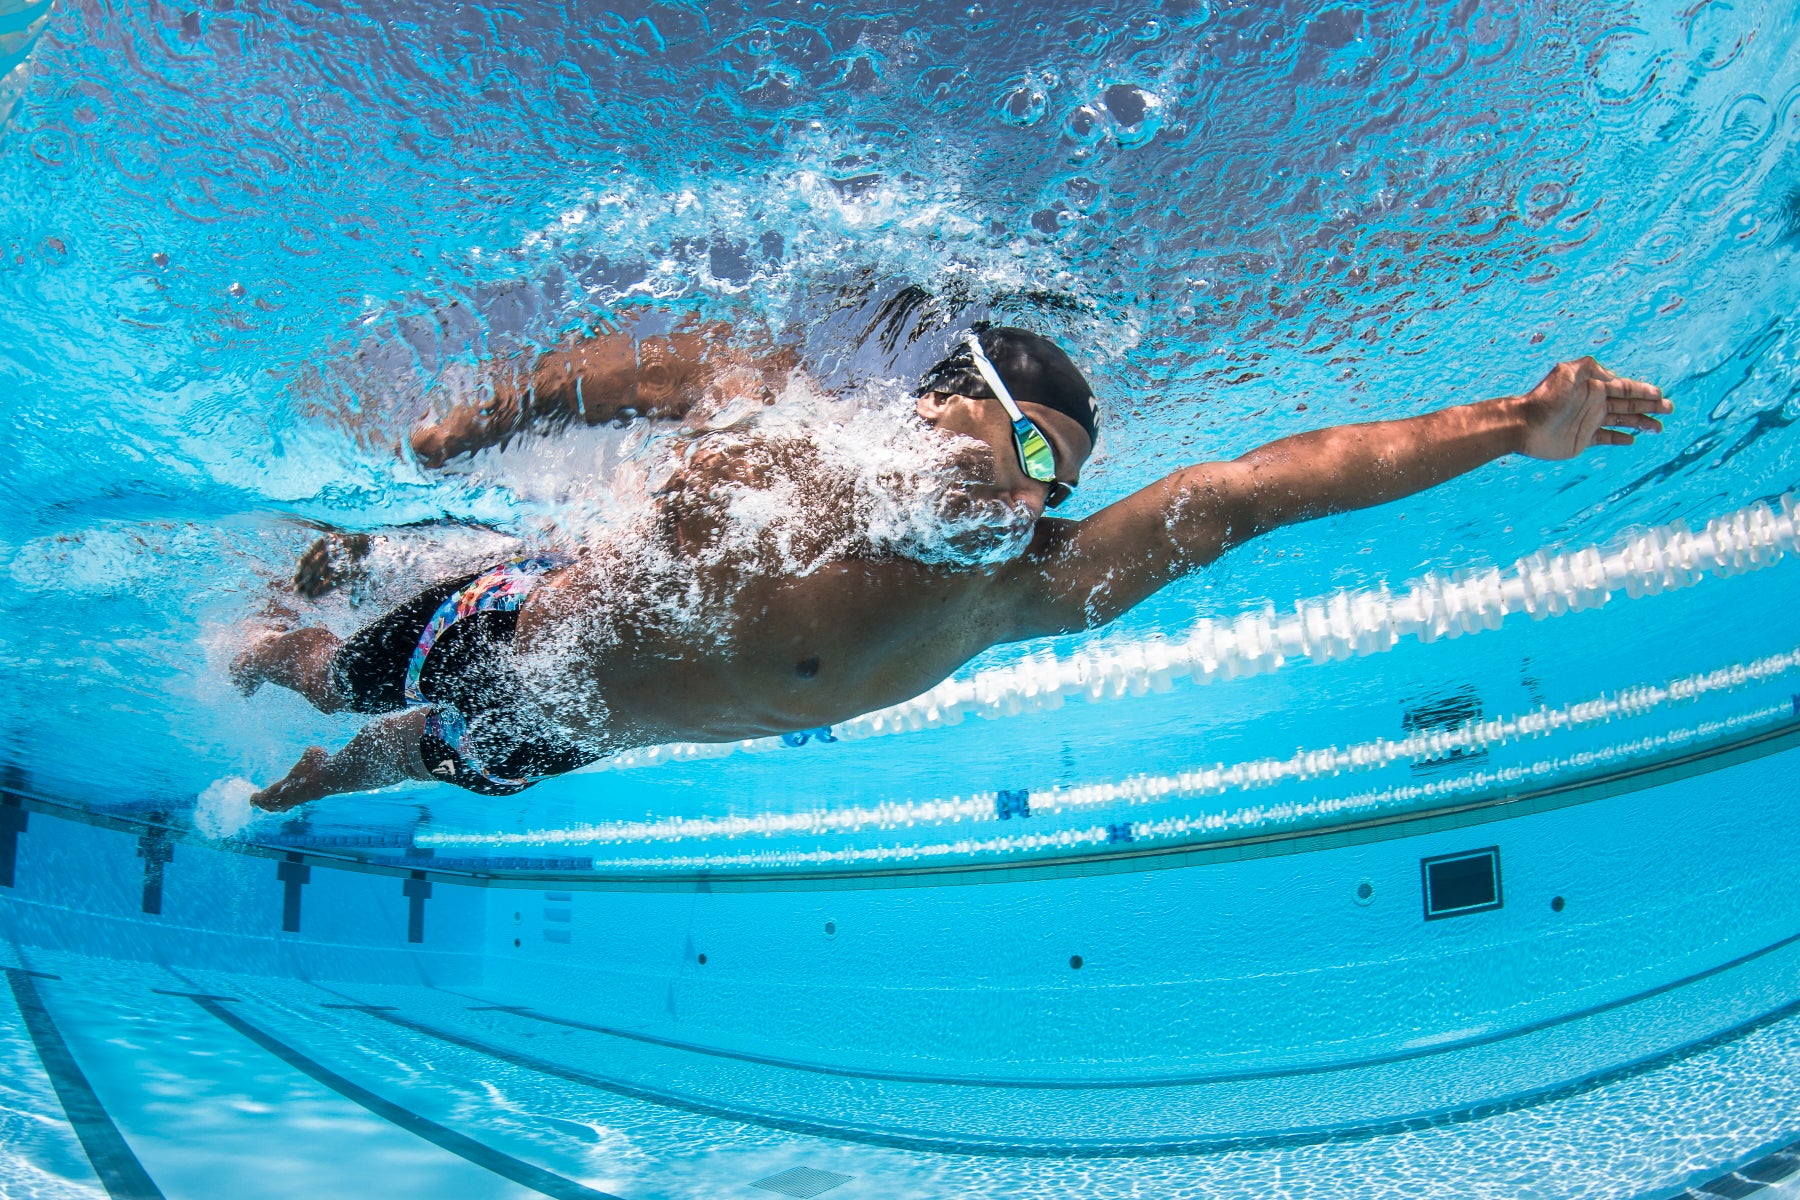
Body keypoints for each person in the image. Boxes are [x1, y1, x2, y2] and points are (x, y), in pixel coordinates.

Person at [233, 318, 1671, 809]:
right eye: (1022, 442)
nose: (1032, 491)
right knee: (313, 681)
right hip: (515, 632)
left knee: (381, 766)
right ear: (939, 399)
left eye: (1062, 477)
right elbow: (654, 369)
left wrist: (1507, 431)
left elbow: (1249, 497)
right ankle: (274, 619)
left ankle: (284, 796)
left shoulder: (1015, 588)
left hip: (572, 738)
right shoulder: (780, 444)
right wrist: (477, 420)